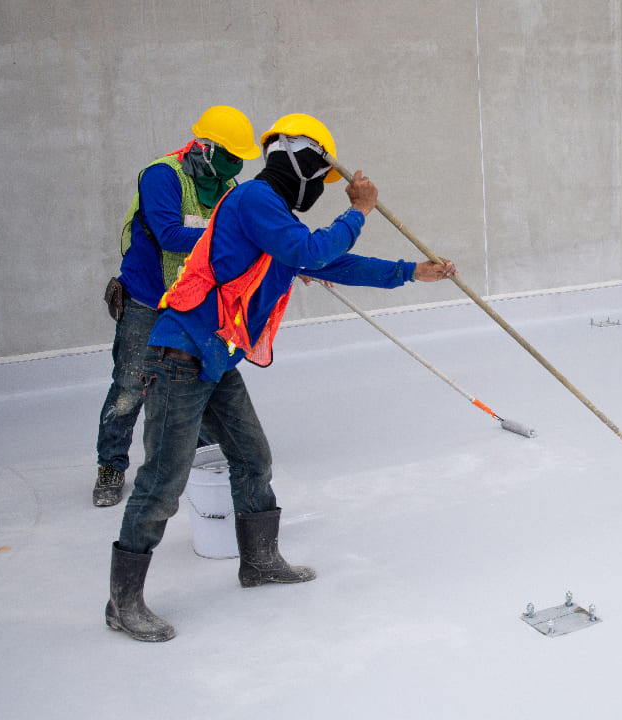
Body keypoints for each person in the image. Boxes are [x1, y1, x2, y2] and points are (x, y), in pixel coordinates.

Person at [105, 113, 458, 642]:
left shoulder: (275, 219)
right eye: (321, 177)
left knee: (252, 456)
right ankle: (122, 604)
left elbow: (331, 263)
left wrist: (409, 272)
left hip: (215, 358)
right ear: (302, 166)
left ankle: (260, 562)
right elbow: (312, 251)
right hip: (180, 357)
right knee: (161, 484)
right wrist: (359, 209)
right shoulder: (254, 201)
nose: (320, 188)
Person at [94, 106, 261, 508]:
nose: (235, 164)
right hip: (146, 298)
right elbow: (170, 234)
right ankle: (111, 465)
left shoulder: (226, 183)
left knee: (192, 383)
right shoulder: (162, 175)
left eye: (240, 157)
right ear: (204, 147)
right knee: (131, 384)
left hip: (192, 303)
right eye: (229, 154)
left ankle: (194, 459)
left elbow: (243, 232)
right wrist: (235, 238)